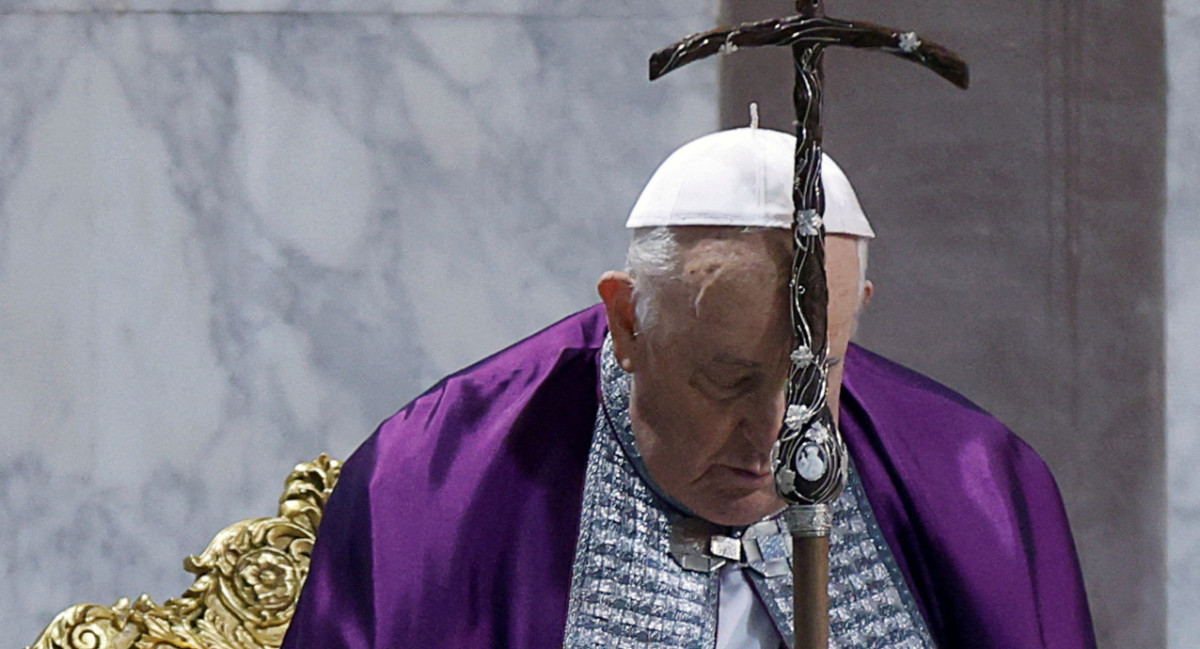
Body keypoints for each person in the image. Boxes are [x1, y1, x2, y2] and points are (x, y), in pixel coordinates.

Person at [281, 128, 1096, 649]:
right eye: (729, 379)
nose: (778, 438)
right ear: (628, 320)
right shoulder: (433, 484)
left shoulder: (978, 484)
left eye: (816, 376)